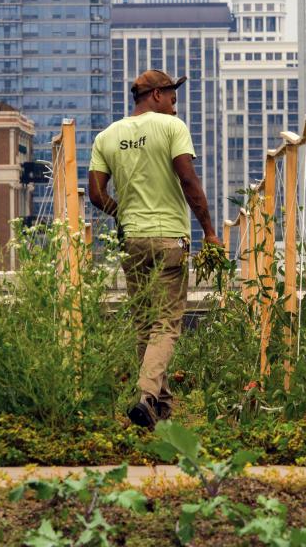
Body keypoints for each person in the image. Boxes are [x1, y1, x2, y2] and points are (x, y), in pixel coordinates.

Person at [88, 69, 222, 428]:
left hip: (133, 240)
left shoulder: (107, 136)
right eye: (173, 100)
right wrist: (209, 231)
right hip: (169, 240)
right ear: (157, 95)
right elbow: (188, 180)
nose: (176, 110)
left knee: (146, 324)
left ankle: (159, 405)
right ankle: (146, 394)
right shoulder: (171, 129)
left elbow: (96, 194)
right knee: (166, 323)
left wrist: (123, 213)